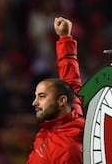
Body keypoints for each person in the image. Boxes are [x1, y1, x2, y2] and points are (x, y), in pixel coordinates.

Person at [28, 17, 84, 164]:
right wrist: (65, 38)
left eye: (41, 96)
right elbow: (71, 79)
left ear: (61, 101)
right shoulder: (71, 115)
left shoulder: (69, 150)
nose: (35, 102)